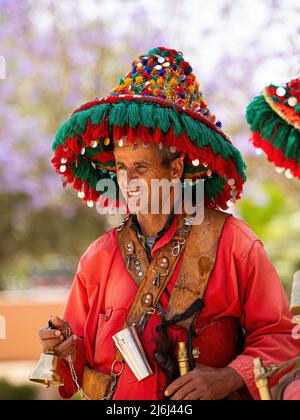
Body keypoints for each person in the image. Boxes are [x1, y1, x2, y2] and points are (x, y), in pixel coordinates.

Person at [38, 47, 300, 400]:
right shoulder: (97, 258)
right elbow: (78, 370)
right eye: (120, 167)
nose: (127, 180)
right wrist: (65, 347)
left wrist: (229, 376)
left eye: (141, 167)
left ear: (175, 170)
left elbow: (280, 338)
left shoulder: (235, 243)